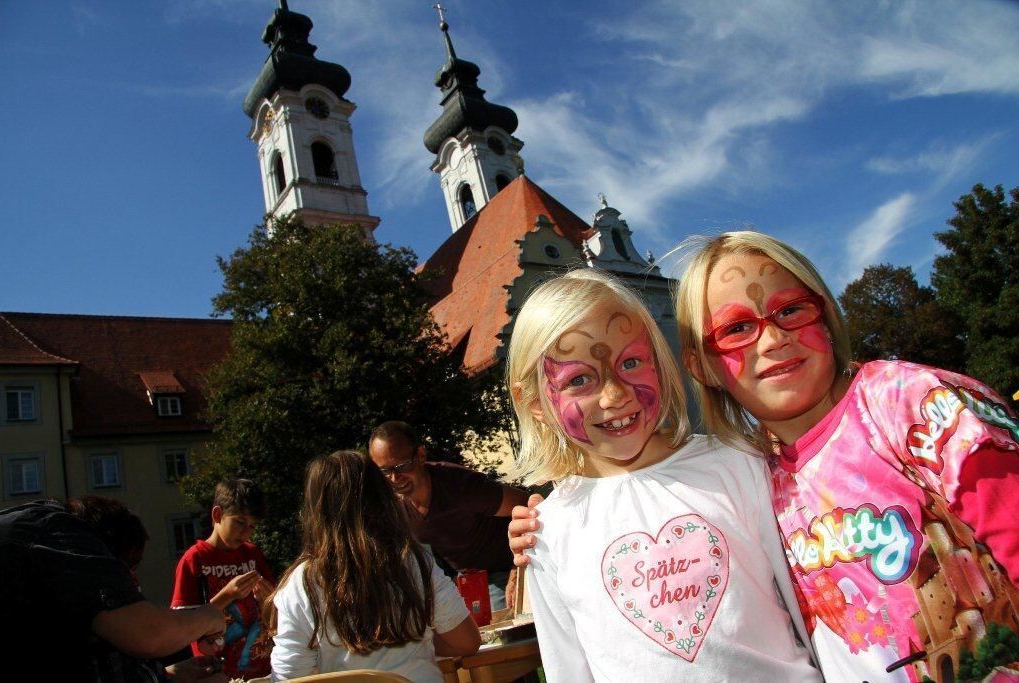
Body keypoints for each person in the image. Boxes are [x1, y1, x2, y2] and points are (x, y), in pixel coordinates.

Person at [513, 232, 1019, 682]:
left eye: (790, 311)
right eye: (737, 329)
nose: (774, 340)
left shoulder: (905, 406)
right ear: (702, 366)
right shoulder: (768, 467)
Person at [504, 269, 819, 681]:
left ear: (659, 360)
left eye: (631, 362)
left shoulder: (736, 462)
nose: (616, 395)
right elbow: (567, 667)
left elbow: (809, 603)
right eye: (579, 379)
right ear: (535, 403)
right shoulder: (544, 530)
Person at [265, 450, 481, 681]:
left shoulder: (301, 583)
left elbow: (289, 677)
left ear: (315, 510)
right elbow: (467, 642)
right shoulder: (412, 561)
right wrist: (416, 641)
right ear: (380, 498)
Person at [0, 498, 227, 682]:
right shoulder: (58, 531)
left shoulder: (37, 550)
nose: (131, 579)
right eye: (128, 565)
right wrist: (210, 616)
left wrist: (166, 675)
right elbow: (149, 633)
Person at [368, 420, 529, 610]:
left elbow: (530, 506)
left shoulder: (460, 486)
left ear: (420, 455)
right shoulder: (391, 506)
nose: (394, 478)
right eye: (384, 471)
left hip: (504, 569)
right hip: (465, 579)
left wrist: (517, 568)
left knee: (499, 635)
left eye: (402, 466)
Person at [172, 478, 275, 681]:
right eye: (240, 522)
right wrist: (227, 595)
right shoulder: (194, 559)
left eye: (252, 526)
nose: (246, 533)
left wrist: (269, 599)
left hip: (264, 671)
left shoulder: (253, 554)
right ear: (217, 515)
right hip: (217, 673)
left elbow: (276, 608)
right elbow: (181, 625)